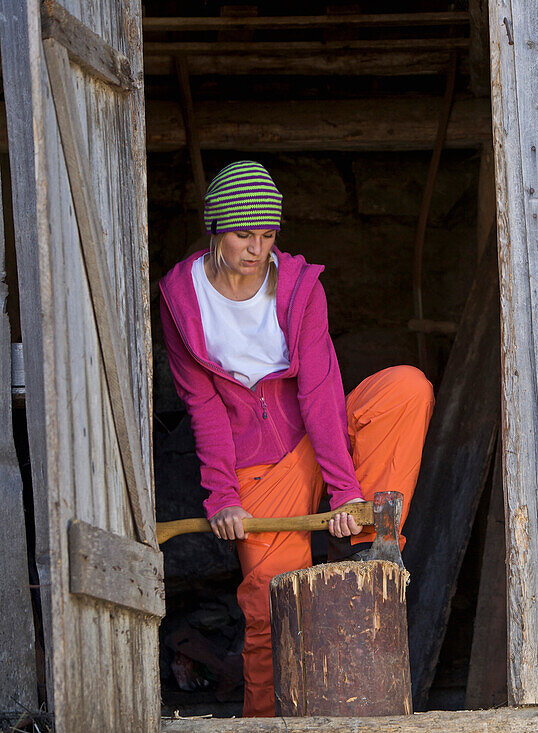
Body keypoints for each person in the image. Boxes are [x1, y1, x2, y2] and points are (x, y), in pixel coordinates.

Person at [159, 160, 435, 716]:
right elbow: (203, 405)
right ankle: (261, 724)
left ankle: (365, 541)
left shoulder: (301, 287)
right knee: (267, 611)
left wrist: (346, 495)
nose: (256, 249)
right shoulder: (181, 302)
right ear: (215, 228)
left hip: (319, 432)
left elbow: (319, 391)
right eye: (243, 234)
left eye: (267, 235)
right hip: (258, 468)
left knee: (405, 389)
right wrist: (224, 497)